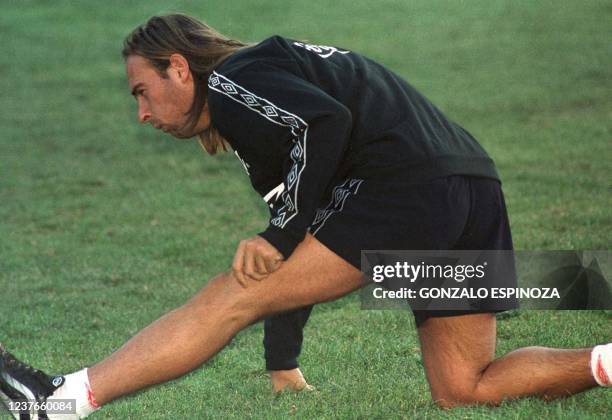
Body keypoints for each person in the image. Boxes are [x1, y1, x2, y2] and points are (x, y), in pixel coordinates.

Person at [1, 13, 610, 419]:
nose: (142, 112)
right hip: (470, 186)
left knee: (231, 295)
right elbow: (303, 228)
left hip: (405, 189)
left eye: (141, 90)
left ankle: (59, 399)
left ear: (179, 68)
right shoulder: (264, 107)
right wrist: (283, 360)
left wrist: (278, 231)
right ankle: (604, 359)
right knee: (464, 387)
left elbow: (327, 124)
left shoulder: (238, 79)